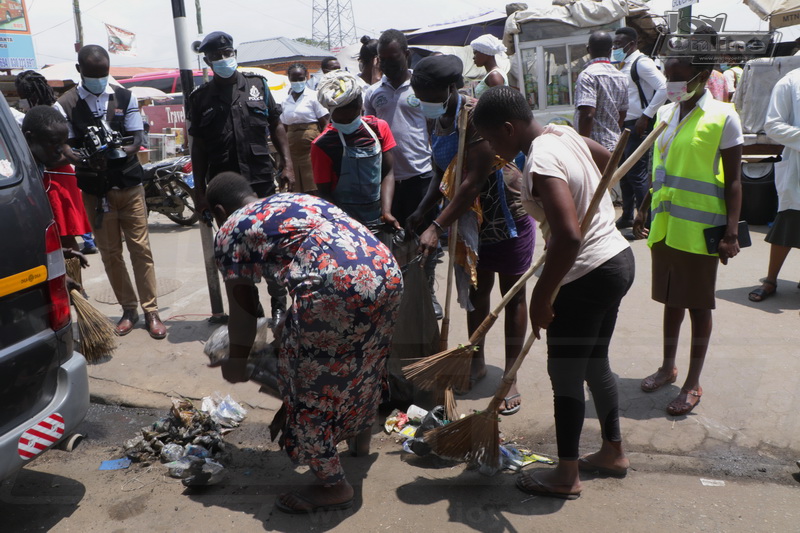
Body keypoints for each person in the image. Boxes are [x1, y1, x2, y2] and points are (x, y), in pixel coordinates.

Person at [207, 173, 403, 514]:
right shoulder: (295, 201)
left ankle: (333, 486)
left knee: (307, 389)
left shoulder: (230, 229)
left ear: (220, 211)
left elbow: (242, 313)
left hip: (335, 287)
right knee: (364, 363)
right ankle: (359, 440)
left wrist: (237, 363)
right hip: (385, 271)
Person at [474, 86, 634, 499]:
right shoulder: (562, 134)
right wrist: (584, 199)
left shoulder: (541, 160)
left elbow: (567, 236)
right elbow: (610, 162)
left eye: (492, 140)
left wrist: (542, 297)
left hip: (586, 274)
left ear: (509, 129)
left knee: (564, 373)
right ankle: (612, 452)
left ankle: (566, 475)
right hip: (617, 259)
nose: (492, 149)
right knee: (594, 362)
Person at [410, 56, 536, 415]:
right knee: (477, 294)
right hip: (469, 223)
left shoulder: (477, 116)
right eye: (418, 94)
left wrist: (437, 225)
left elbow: (473, 180)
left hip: (504, 216)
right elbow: (442, 170)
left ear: (451, 89)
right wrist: (423, 208)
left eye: (427, 94)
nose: (422, 101)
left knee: (512, 296)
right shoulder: (437, 117)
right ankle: (476, 362)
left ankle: (510, 376)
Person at [633, 53, 743, 416]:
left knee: (698, 305)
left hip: (701, 230)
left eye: (678, 76)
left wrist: (731, 233)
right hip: (665, 227)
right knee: (670, 300)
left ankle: (692, 382)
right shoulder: (666, 113)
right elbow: (659, 167)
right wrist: (645, 204)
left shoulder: (724, 116)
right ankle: (668, 367)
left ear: (701, 76)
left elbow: (735, 182)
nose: (670, 82)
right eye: (668, 75)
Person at [55, 45, 166, 339]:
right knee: (110, 254)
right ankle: (129, 309)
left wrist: (116, 151)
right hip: (95, 192)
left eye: (104, 74)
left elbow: (136, 139)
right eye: (94, 75)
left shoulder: (125, 97)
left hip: (129, 186)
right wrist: (80, 155)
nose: (100, 80)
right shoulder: (65, 104)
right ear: (80, 71)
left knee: (141, 249)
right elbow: (64, 145)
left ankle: (150, 310)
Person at [189, 31, 294, 324]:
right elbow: (197, 149)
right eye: (217, 56)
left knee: (271, 247)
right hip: (225, 191)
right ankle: (252, 308)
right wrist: (199, 191)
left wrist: (288, 164)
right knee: (237, 251)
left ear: (234, 53)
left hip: (261, 182)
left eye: (228, 54)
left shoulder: (257, 85)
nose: (224, 60)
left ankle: (277, 303)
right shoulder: (199, 99)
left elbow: (277, 125)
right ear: (208, 61)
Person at [365, 28, 442, 315]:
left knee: (425, 241)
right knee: (394, 244)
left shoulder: (421, 89)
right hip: (388, 182)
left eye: (393, 58)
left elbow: (434, 130)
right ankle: (399, 298)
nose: (388, 64)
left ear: (406, 55)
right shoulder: (373, 94)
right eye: (382, 60)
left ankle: (427, 294)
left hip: (422, 177)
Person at [311, 70, 400, 234]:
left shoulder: (378, 128)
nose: (347, 123)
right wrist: (345, 224)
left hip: (377, 217)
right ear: (331, 114)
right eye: (341, 121)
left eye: (351, 118)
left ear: (361, 105)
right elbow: (324, 193)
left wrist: (386, 211)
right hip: (343, 223)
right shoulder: (322, 145)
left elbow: (387, 172)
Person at [16, 70, 92, 252]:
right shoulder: (31, 113)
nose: (22, 100)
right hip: (45, 175)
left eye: (23, 96)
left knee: (64, 230)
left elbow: (66, 148)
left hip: (58, 175)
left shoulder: (55, 111)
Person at [22, 105, 90, 292]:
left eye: (64, 142)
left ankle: (76, 293)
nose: (61, 150)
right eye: (54, 142)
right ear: (29, 137)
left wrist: (65, 253)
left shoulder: (39, 164)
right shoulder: (16, 174)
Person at [747, 67, 800, 302]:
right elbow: (774, 125)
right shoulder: (791, 82)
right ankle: (770, 280)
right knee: (787, 223)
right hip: (798, 168)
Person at [612, 26, 667, 230]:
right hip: (625, 125)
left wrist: (647, 115)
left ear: (632, 44)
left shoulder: (641, 63)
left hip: (638, 124)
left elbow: (664, 87)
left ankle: (648, 220)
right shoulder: (622, 64)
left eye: (619, 44)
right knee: (624, 173)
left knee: (636, 173)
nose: (615, 47)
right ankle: (627, 215)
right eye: (614, 44)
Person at [573, 31, 629, 151]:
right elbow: (622, 114)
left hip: (594, 148)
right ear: (611, 50)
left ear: (588, 49)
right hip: (614, 145)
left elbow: (587, 115)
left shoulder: (588, 75)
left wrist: (582, 147)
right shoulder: (621, 77)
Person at [279, 63, 329, 195]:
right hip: (292, 150)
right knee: (294, 188)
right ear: (288, 78)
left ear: (306, 77)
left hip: (311, 149)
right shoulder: (285, 100)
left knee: (313, 185)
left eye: (300, 78)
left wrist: (321, 144)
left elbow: (325, 122)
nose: (297, 82)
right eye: (294, 79)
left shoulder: (314, 96)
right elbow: (283, 127)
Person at [469, 34, 507, 98]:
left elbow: (499, 104)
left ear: (485, 53)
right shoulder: (491, 74)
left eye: (475, 53)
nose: (473, 57)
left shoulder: (494, 75)